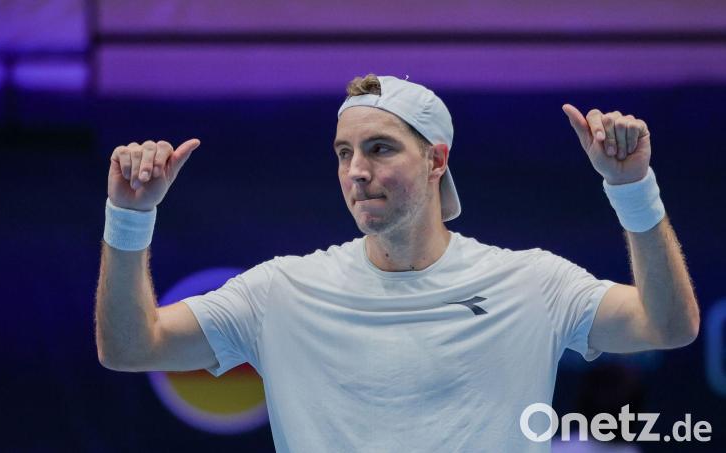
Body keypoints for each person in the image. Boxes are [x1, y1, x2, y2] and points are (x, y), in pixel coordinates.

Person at [94, 74, 699, 452]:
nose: (357, 171)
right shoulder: (279, 290)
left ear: (437, 160)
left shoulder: (532, 282)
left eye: (380, 149)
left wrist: (632, 187)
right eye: (343, 152)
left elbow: (666, 326)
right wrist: (128, 217)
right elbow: (131, 347)